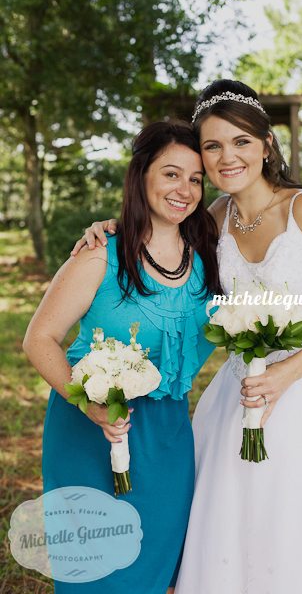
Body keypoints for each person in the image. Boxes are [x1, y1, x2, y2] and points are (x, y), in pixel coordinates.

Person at [72, 80, 302, 594]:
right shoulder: (213, 219)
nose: (228, 157)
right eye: (213, 145)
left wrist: (285, 375)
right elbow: (160, 229)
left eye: (241, 141)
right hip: (241, 387)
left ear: (266, 144)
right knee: (239, 517)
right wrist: (112, 226)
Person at [23, 121, 221, 594]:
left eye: (195, 179)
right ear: (141, 175)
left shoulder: (209, 258)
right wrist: (89, 404)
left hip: (168, 434)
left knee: (158, 564)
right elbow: (39, 338)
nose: (185, 189)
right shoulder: (100, 254)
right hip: (89, 427)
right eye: (171, 174)